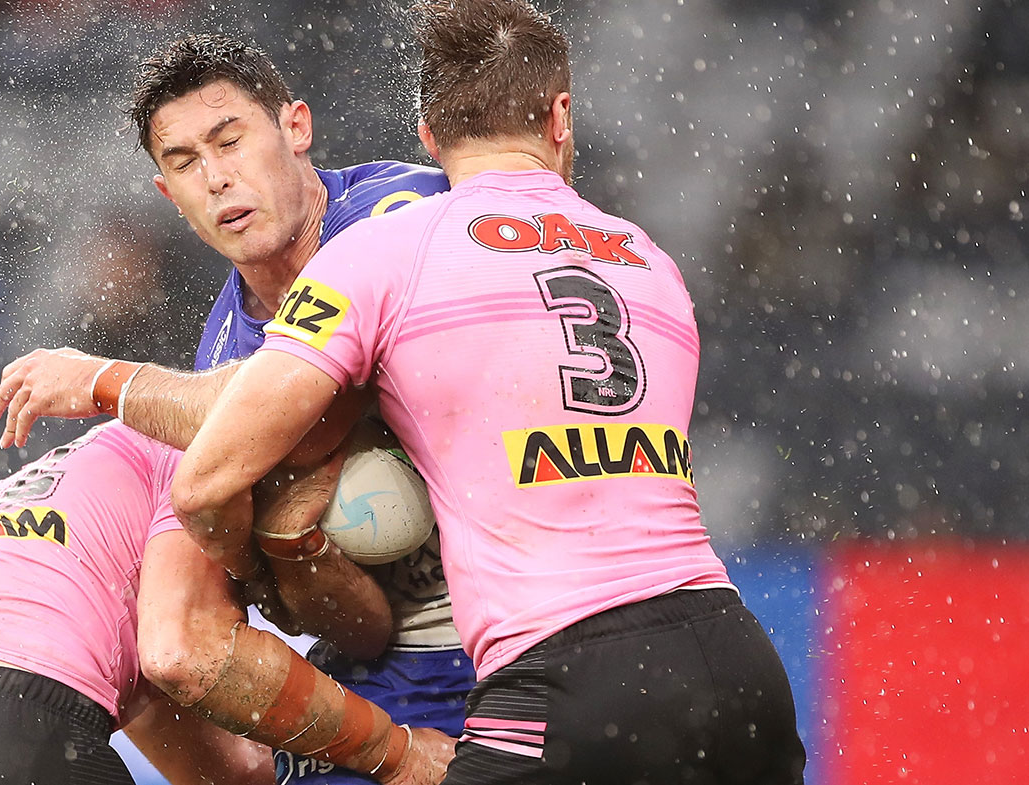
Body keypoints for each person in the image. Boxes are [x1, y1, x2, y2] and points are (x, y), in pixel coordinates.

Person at [170, 3, 808, 784]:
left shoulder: (384, 247)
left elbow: (207, 475)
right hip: (735, 657)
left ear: (429, 139)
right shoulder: (649, 258)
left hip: (563, 674)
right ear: (561, 117)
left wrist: (266, 543)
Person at [0, 34, 474, 785]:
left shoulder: (408, 210)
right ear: (168, 195)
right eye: (184, 163)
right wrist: (290, 554)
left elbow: (311, 399)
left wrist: (105, 382)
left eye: (229, 139)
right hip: (401, 664)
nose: (216, 178)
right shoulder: (223, 344)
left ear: (297, 128)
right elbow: (341, 621)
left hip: (525, 628)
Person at [0, 421, 453, 785]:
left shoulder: (91, 472)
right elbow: (183, 653)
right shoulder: (202, 462)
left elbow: (221, 768)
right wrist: (391, 754)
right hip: (6, 714)